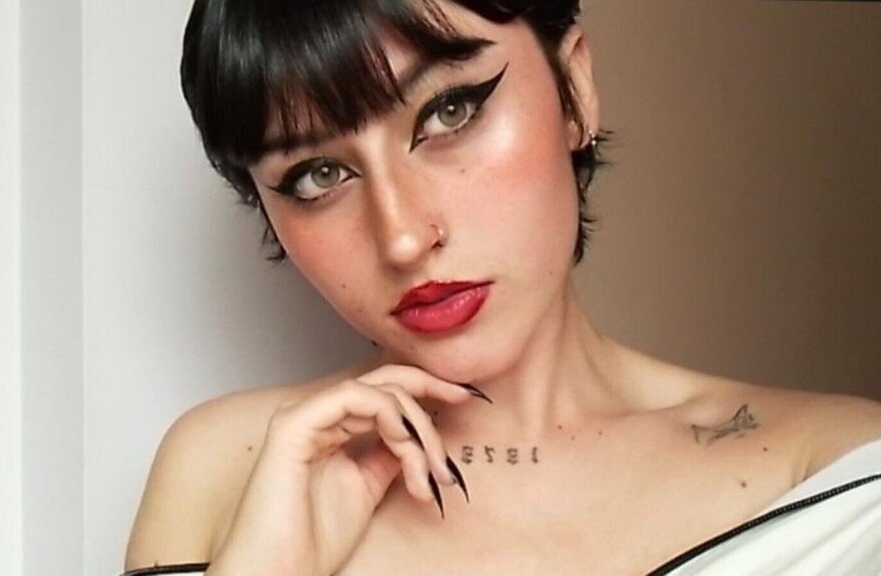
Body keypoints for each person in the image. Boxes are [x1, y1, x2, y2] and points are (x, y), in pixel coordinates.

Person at [122, 0, 881, 574]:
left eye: (449, 112)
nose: (403, 236)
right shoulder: (230, 472)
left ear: (574, 88)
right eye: (319, 175)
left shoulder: (845, 480)